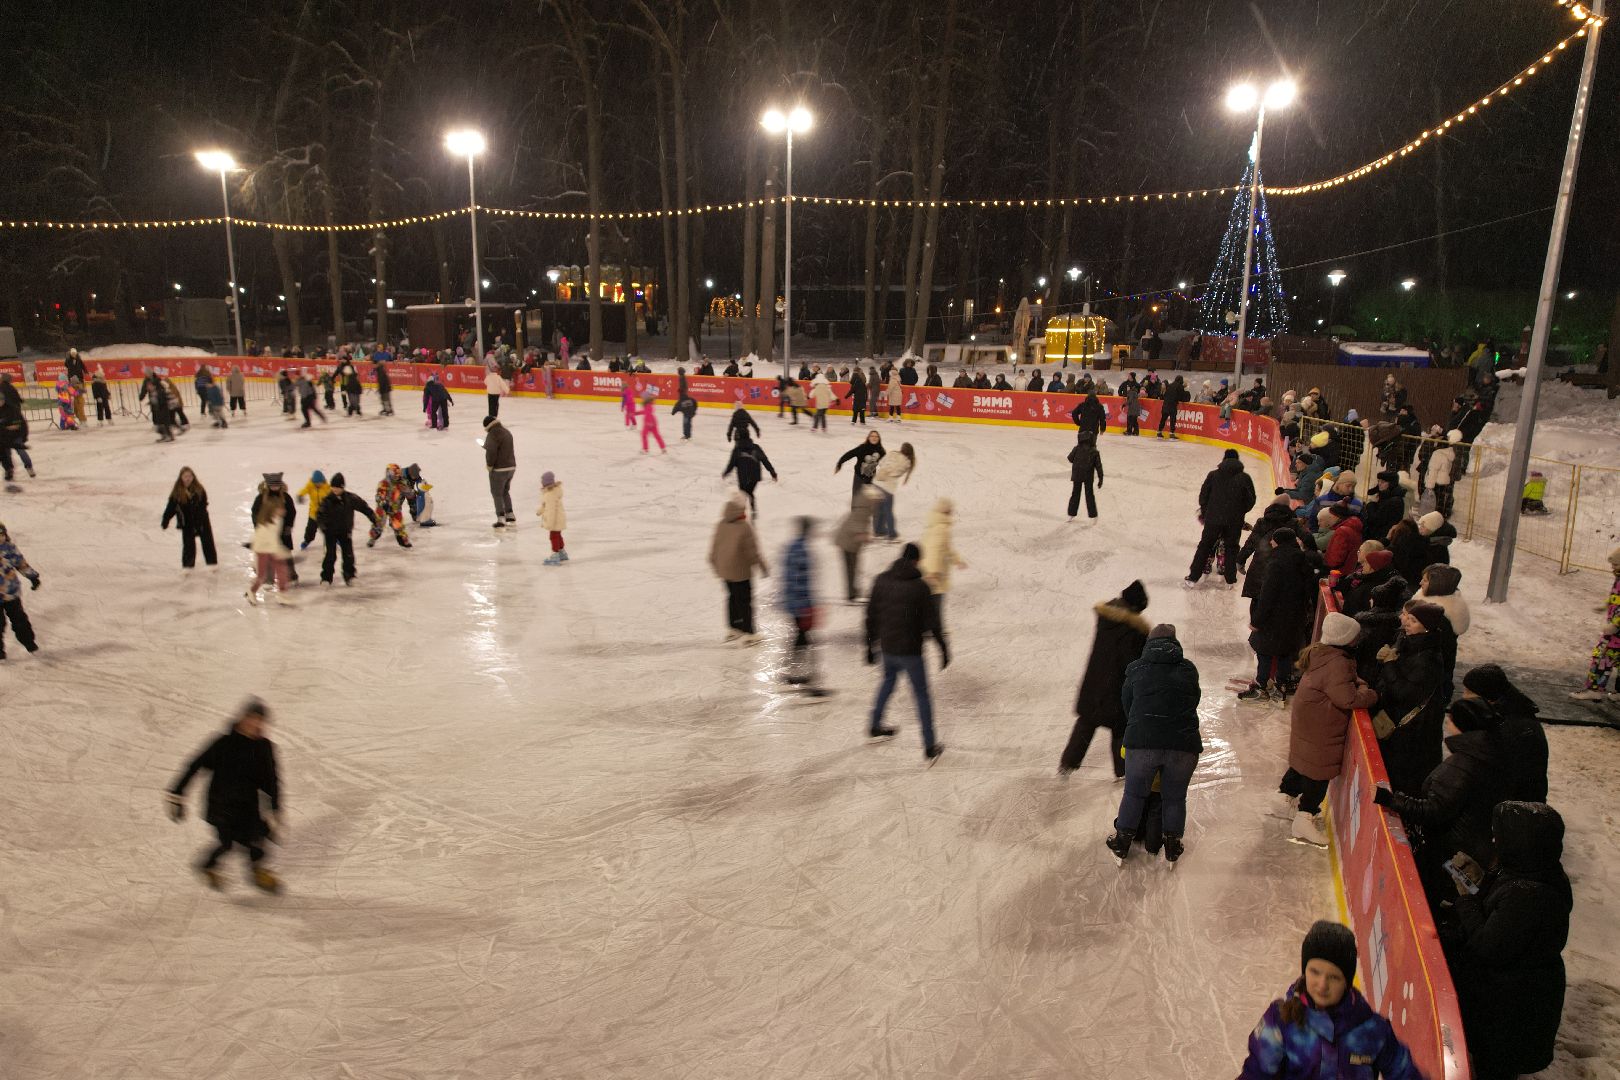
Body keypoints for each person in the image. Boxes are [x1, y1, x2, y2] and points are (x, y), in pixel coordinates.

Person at [1442, 801, 1571, 1080]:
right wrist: (1482, 884)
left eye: (1498, 836)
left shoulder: (1527, 896)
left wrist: (1466, 900)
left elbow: (1487, 945)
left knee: (1496, 1069)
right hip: (1509, 998)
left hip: (1513, 1009)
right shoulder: (1534, 870)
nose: (1492, 840)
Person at [1374, 698, 1526, 903]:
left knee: (1445, 896)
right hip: (1477, 842)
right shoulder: (1494, 753)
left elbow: (1434, 810)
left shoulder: (1463, 765)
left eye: (1451, 719)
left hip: (1452, 849)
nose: (1447, 723)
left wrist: (1393, 800)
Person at [1238, 920, 1421, 1079]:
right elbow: (1256, 1074)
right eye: (1314, 972)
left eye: (1333, 977)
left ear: (1347, 982)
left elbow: (1404, 1073)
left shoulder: (1372, 1031)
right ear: (1304, 971)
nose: (1322, 984)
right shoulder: (1280, 1021)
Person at [165, 699, 283, 893]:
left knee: (257, 837)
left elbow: (272, 780)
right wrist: (177, 794)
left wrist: (276, 808)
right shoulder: (224, 743)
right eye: (252, 719)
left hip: (248, 804)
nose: (255, 724)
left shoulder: (264, 747)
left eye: (260, 721)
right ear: (243, 719)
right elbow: (195, 765)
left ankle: (257, 872)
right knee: (228, 841)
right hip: (221, 803)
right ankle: (207, 866)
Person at [1106, 624, 1201, 863]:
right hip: (1183, 745)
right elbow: (1193, 701)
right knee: (1174, 797)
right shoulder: (1188, 670)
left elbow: (1127, 704)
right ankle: (1171, 845)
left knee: (1134, 794)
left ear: (1149, 642)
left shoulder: (1136, 669)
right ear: (1175, 643)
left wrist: (1143, 725)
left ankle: (1122, 842)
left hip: (1143, 743)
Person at [865, 542, 949, 761]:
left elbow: (870, 615)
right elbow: (933, 622)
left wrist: (869, 645)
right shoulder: (920, 587)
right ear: (916, 561)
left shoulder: (881, 580)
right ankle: (930, 745)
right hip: (911, 652)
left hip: (888, 648)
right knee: (921, 695)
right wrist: (943, 648)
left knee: (887, 683)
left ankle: (874, 724)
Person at [1060, 580, 1149, 777]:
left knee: (1086, 723)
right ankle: (1123, 771)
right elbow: (1132, 662)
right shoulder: (1134, 631)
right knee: (1120, 727)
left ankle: (1067, 763)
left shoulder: (1106, 620)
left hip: (1094, 682)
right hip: (1116, 688)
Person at [1373, 601, 1452, 795]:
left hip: (1412, 734)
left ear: (1427, 627)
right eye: (1408, 617)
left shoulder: (1428, 659)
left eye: (1413, 620)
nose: (1406, 622)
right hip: (1401, 727)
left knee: (1404, 778)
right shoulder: (1409, 642)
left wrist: (1390, 664)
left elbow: (1403, 694)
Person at [1244, 529, 1318, 701]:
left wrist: (1257, 621)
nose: (1270, 543)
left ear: (1278, 542)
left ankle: (1262, 686)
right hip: (1294, 616)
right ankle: (1282, 684)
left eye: (1273, 540)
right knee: (1285, 651)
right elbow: (1309, 589)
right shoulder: (1303, 560)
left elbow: (1268, 595)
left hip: (1274, 617)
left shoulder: (1276, 562)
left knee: (1264, 650)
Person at [1185, 449, 1256, 587]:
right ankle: (1230, 580)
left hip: (1213, 519)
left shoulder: (1213, 475)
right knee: (1232, 548)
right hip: (1234, 521)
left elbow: (1203, 496)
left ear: (1224, 460)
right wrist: (1240, 512)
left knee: (1205, 546)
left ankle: (1193, 578)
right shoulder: (1245, 478)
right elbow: (1251, 500)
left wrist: (1207, 512)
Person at [709, 491, 768, 644]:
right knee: (744, 600)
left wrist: (714, 564)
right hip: (740, 571)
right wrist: (763, 566)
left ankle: (734, 628)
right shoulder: (744, 526)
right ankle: (749, 633)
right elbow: (752, 551)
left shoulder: (722, 523)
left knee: (732, 597)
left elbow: (714, 547)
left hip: (724, 570)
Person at [779, 518, 828, 694]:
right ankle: (811, 681)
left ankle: (792, 672)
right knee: (805, 639)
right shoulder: (802, 552)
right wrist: (807, 606)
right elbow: (800, 582)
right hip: (800, 604)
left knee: (801, 639)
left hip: (793, 603)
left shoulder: (792, 547)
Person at [1571, 543, 1620, 702]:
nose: (1613, 567)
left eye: (1616, 564)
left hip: (1616, 634)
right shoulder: (1619, 579)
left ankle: (1594, 689)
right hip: (1615, 630)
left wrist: (1615, 625)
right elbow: (1616, 597)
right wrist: (1606, 605)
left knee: (1601, 657)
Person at [314, 473, 377, 585]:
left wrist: (372, 516)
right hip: (330, 532)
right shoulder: (327, 500)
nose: (335, 489)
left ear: (342, 487)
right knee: (330, 555)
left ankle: (349, 575)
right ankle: (326, 578)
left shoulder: (350, 498)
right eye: (333, 487)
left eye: (337, 487)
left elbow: (363, 506)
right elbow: (320, 515)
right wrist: (323, 527)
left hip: (345, 531)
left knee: (348, 555)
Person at [245, 477, 295, 605]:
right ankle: (251, 591)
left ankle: (282, 594)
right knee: (261, 576)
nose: (283, 510)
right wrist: (280, 551)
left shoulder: (278, 520)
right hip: (263, 550)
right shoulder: (266, 524)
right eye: (280, 508)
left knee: (282, 569)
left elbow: (291, 512)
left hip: (272, 548)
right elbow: (268, 539)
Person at [918, 497, 967, 625]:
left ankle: (929, 626)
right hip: (934, 571)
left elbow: (946, 548)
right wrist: (934, 572)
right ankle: (932, 627)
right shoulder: (942, 528)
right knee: (936, 598)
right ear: (947, 511)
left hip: (926, 567)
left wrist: (957, 561)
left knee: (931, 598)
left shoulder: (933, 525)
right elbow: (936, 549)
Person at [1354, 577, 1410, 681]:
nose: (1369, 600)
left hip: (1365, 672)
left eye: (1372, 598)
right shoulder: (1396, 623)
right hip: (1382, 673)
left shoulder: (1367, 623)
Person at [161, 467, 218, 570]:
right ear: (181, 477)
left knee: (208, 542)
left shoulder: (199, 489)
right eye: (185, 476)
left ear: (193, 477)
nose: (188, 478)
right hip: (187, 522)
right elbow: (171, 508)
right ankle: (188, 567)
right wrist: (165, 520)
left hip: (202, 521)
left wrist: (200, 518)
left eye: (190, 476)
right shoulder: (177, 492)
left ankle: (212, 564)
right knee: (188, 546)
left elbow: (203, 504)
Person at [0, 522, 42, 660]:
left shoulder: (9, 549)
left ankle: (29, 642)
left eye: (2, 534)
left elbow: (21, 564)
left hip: (11, 592)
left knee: (19, 620)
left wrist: (33, 577)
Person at [832, 488, 878, 603]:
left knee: (852, 568)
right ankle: (851, 594)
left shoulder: (863, 511)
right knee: (851, 569)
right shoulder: (862, 513)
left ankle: (852, 592)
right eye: (874, 501)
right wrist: (865, 537)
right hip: (848, 543)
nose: (875, 504)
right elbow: (856, 530)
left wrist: (865, 536)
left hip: (849, 543)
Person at [250, 473, 298, 583]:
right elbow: (255, 513)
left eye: (277, 485)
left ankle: (291, 575)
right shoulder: (261, 497)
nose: (275, 488)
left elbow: (291, 512)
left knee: (285, 554)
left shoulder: (286, 497)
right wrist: (258, 526)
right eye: (272, 485)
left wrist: (289, 526)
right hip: (268, 531)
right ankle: (268, 579)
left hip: (283, 531)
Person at [870, 441, 915, 541]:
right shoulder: (907, 462)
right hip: (888, 487)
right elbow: (896, 473)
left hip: (877, 483)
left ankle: (878, 531)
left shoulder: (892, 453)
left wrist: (886, 468)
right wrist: (890, 471)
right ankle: (892, 534)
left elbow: (881, 463)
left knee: (879, 509)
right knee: (888, 511)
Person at [722, 434, 778, 513]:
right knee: (749, 492)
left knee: (743, 493)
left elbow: (731, 464)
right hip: (755, 476)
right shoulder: (756, 448)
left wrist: (726, 472)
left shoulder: (737, 450)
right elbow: (765, 460)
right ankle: (752, 509)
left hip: (743, 476)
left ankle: (742, 511)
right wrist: (773, 473)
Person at [1337, 548, 1396, 618]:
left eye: (1366, 563)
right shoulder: (1366, 578)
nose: (1363, 565)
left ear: (1373, 567)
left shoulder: (1375, 589)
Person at [366, 464, 413, 549]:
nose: (397, 476)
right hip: (383, 507)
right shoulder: (384, 483)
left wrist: (409, 491)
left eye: (398, 474)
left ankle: (403, 541)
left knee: (398, 525)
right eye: (395, 474)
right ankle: (373, 537)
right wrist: (383, 502)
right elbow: (379, 495)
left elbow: (410, 494)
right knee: (378, 523)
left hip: (395, 508)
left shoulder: (401, 483)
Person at [483, 415, 517, 526]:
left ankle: (501, 518)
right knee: (505, 491)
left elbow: (491, 452)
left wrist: (489, 465)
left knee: (496, 493)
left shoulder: (492, 434)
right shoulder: (506, 432)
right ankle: (510, 514)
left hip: (499, 469)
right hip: (511, 467)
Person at [835, 430, 885, 504]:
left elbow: (885, 463)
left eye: (876, 436)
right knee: (856, 499)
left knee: (869, 502)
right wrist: (840, 463)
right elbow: (849, 454)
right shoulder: (862, 448)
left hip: (871, 479)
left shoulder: (881, 451)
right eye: (872, 436)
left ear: (879, 438)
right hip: (859, 477)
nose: (874, 438)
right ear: (868, 438)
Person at [1066, 430, 1103, 520]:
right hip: (1088, 477)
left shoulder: (1076, 448)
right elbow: (1099, 467)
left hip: (1077, 475)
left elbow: (1070, 458)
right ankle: (1093, 515)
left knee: (1075, 494)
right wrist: (1100, 479)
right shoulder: (1095, 451)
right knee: (1089, 495)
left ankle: (1071, 513)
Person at [537, 470, 569, 566]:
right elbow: (545, 505)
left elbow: (551, 510)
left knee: (553, 536)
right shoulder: (553, 492)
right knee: (558, 535)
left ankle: (555, 555)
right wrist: (539, 511)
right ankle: (562, 552)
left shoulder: (549, 495)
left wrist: (550, 524)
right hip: (559, 519)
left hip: (554, 520)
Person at [1426, 430, 1461, 517]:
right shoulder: (1452, 453)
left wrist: (1429, 486)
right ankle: (1443, 515)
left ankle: (1435, 518)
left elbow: (1433, 471)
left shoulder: (1437, 454)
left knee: (1436, 501)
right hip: (1446, 480)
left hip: (1437, 481)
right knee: (1442, 499)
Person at [638, 387, 667, 453]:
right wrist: (636, 413)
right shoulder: (649, 405)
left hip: (648, 422)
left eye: (642, 397)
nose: (642, 399)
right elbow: (644, 412)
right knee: (657, 435)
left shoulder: (647, 405)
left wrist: (649, 423)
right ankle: (663, 448)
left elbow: (648, 414)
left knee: (644, 435)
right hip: (653, 422)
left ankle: (645, 449)